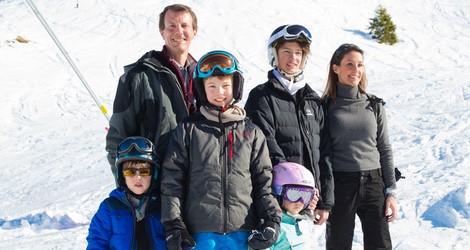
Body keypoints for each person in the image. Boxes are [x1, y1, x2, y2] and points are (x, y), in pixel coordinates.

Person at [160, 50, 282, 250]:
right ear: (201, 89)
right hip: (200, 235)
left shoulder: (252, 133)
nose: (220, 92)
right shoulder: (188, 130)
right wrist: (174, 225)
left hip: (243, 233)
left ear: (236, 86)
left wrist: (271, 220)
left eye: (226, 86)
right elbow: (172, 181)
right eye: (212, 86)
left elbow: (263, 182)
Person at [244, 24, 334, 224]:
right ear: (274, 55)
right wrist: (290, 188)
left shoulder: (313, 100)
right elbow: (265, 142)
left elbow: (324, 153)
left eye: (298, 53)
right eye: (286, 52)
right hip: (276, 200)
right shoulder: (262, 96)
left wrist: (324, 202)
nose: (293, 58)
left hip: (306, 201)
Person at [106, 4, 198, 185]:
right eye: (171, 26)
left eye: (184, 26)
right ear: (161, 32)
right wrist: (130, 193)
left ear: (194, 31)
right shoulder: (138, 77)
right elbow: (117, 141)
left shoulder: (204, 78)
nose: (179, 31)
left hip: (196, 191)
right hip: (156, 191)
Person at [321, 43, 398, 250]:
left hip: (374, 183)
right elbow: (321, 153)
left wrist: (390, 191)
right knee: (338, 245)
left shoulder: (374, 105)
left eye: (360, 65)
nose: (356, 71)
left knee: (380, 245)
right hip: (341, 184)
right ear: (336, 68)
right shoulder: (325, 107)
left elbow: (384, 148)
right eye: (350, 64)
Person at [87, 136, 166, 249]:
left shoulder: (162, 205)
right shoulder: (110, 207)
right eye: (130, 172)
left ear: (153, 175)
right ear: (122, 176)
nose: (138, 177)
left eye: (144, 171)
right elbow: (97, 241)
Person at [271, 162, 319, 250]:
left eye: (306, 196)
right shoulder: (272, 227)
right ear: (278, 192)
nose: (300, 202)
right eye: (293, 195)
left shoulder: (305, 221)